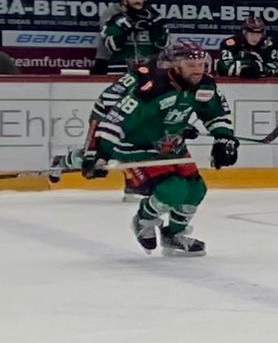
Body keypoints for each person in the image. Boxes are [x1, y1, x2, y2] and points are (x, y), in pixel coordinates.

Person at [80, 41, 240, 257]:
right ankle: (144, 220)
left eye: (201, 64)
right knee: (173, 189)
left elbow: (215, 114)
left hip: (172, 146)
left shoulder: (206, 85)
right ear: (176, 66)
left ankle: (173, 234)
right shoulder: (153, 88)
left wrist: (224, 138)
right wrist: (100, 153)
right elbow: (115, 120)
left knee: (196, 190)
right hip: (137, 147)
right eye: (191, 65)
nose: (198, 70)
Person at [95, 0, 169, 72]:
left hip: (148, 67)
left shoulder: (154, 18)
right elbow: (112, 47)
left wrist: (156, 29)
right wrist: (126, 31)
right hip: (121, 67)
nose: (138, 1)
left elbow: (163, 44)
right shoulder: (116, 20)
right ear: (125, 0)